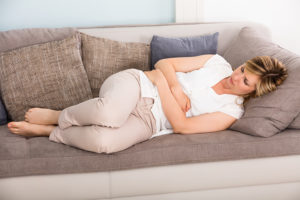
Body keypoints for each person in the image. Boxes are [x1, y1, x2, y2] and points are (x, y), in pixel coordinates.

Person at [7, 54, 288, 154]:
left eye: (246, 82)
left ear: (254, 92)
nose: (235, 77)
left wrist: (164, 83)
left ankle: (50, 132)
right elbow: (164, 63)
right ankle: (59, 115)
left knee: (105, 142)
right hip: (137, 84)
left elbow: (181, 126)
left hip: (150, 122)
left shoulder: (231, 112)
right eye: (242, 69)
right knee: (110, 113)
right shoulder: (217, 63)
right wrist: (176, 89)